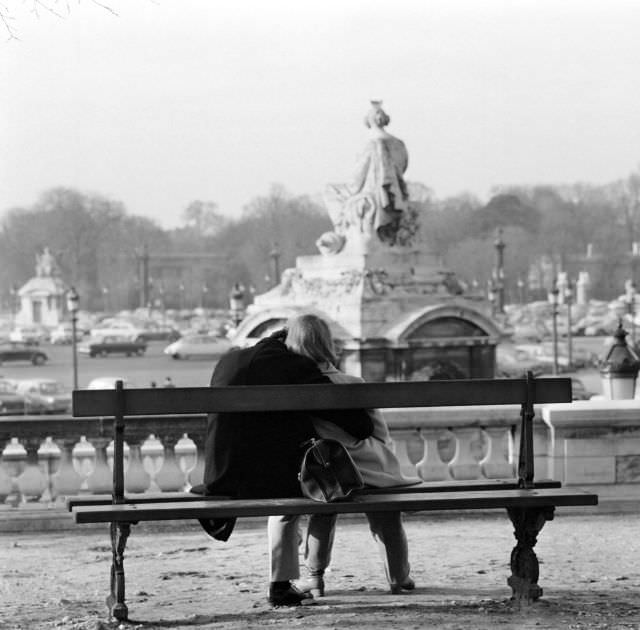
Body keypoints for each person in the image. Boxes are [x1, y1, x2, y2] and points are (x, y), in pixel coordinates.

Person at [194, 329, 374, 607]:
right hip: (262, 481)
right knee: (315, 491)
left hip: (221, 479)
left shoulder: (229, 360)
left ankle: (288, 581)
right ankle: (284, 584)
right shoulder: (294, 366)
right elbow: (359, 426)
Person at [283, 313, 420, 597]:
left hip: (331, 473)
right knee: (388, 515)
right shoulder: (354, 382)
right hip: (373, 469)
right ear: (328, 344)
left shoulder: (297, 391)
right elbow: (381, 435)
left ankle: (315, 577)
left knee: (322, 509)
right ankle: (398, 576)